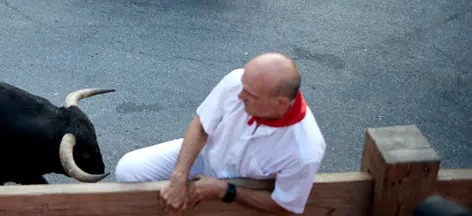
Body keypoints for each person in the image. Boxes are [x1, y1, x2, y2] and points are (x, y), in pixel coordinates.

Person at [115, 52, 325, 215]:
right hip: (206, 157)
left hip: (243, 187)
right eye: (243, 86)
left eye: (249, 95)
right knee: (129, 169)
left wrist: (226, 191)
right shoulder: (237, 81)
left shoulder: (305, 148)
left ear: (279, 103)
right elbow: (200, 126)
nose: (240, 95)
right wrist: (179, 177)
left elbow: (286, 206)